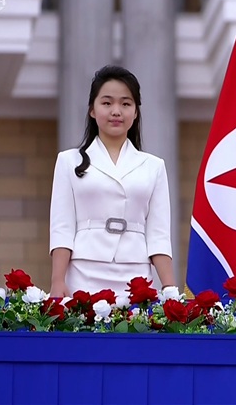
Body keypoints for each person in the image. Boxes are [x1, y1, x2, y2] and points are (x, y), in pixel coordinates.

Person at [48, 65, 175, 298]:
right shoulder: (68, 161)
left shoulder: (154, 166)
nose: (116, 111)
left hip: (136, 275)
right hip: (83, 272)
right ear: (92, 110)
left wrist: (169, 288)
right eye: (107, 103)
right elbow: (62, 227)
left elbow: (158, 234)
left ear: (135, 112)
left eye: (126, 104)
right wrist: (58, 281)